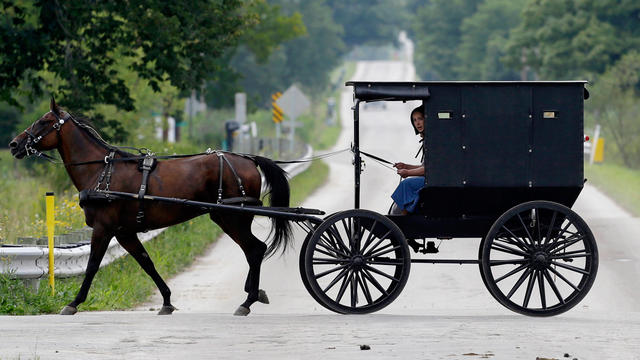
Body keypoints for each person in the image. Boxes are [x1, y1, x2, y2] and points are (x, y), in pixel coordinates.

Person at [390, 105, 425, 215]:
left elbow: (428, 170)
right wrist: (406, 166)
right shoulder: (428, 140)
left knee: (407, 184)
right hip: (429, 180)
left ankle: (399, 221)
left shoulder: (433, 140)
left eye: (420, 119)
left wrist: (408, 173)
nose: (417, 123)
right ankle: (396, 216)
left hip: (434, 182)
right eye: (415, 120)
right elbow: (424, 167)